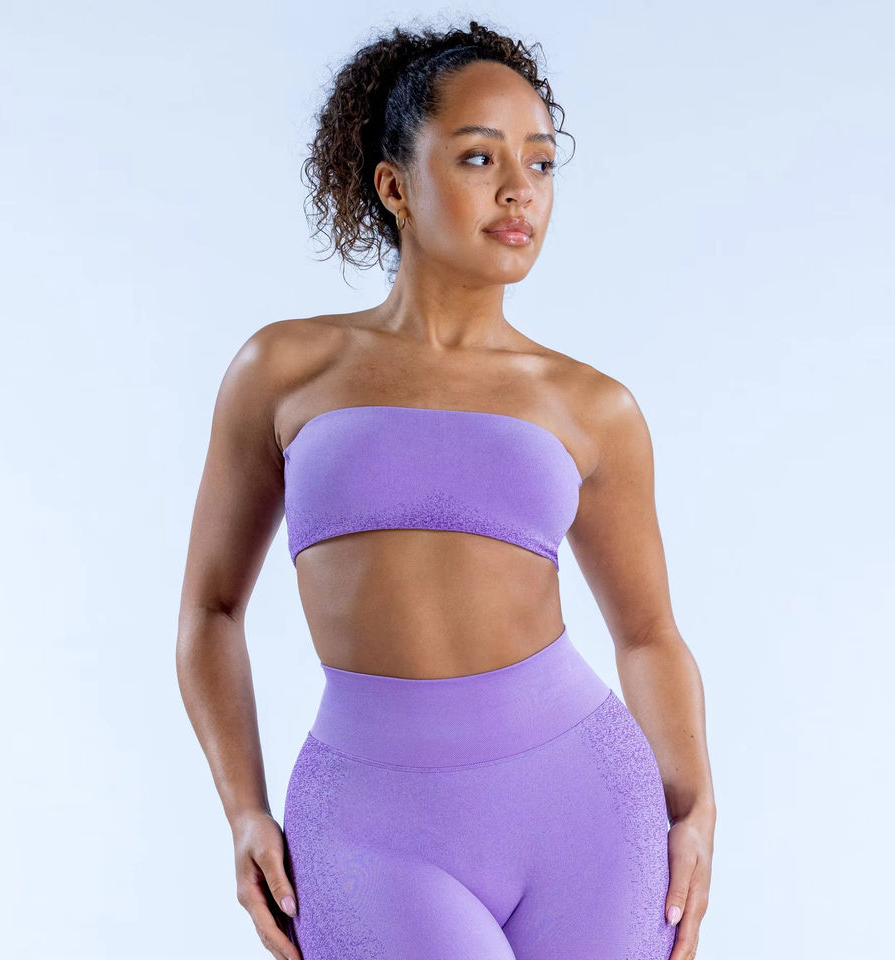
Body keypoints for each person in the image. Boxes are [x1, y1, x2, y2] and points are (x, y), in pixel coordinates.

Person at [176, 18, 715, 960]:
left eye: (540, 163)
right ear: (394, 186)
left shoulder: (592, 406)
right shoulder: (286, 368)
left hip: (588, 811)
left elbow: (648, 634)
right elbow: (211, 612)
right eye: (478, 157)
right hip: (367, 821)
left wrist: (696, 808)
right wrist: (244, 810)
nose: (519, 190)